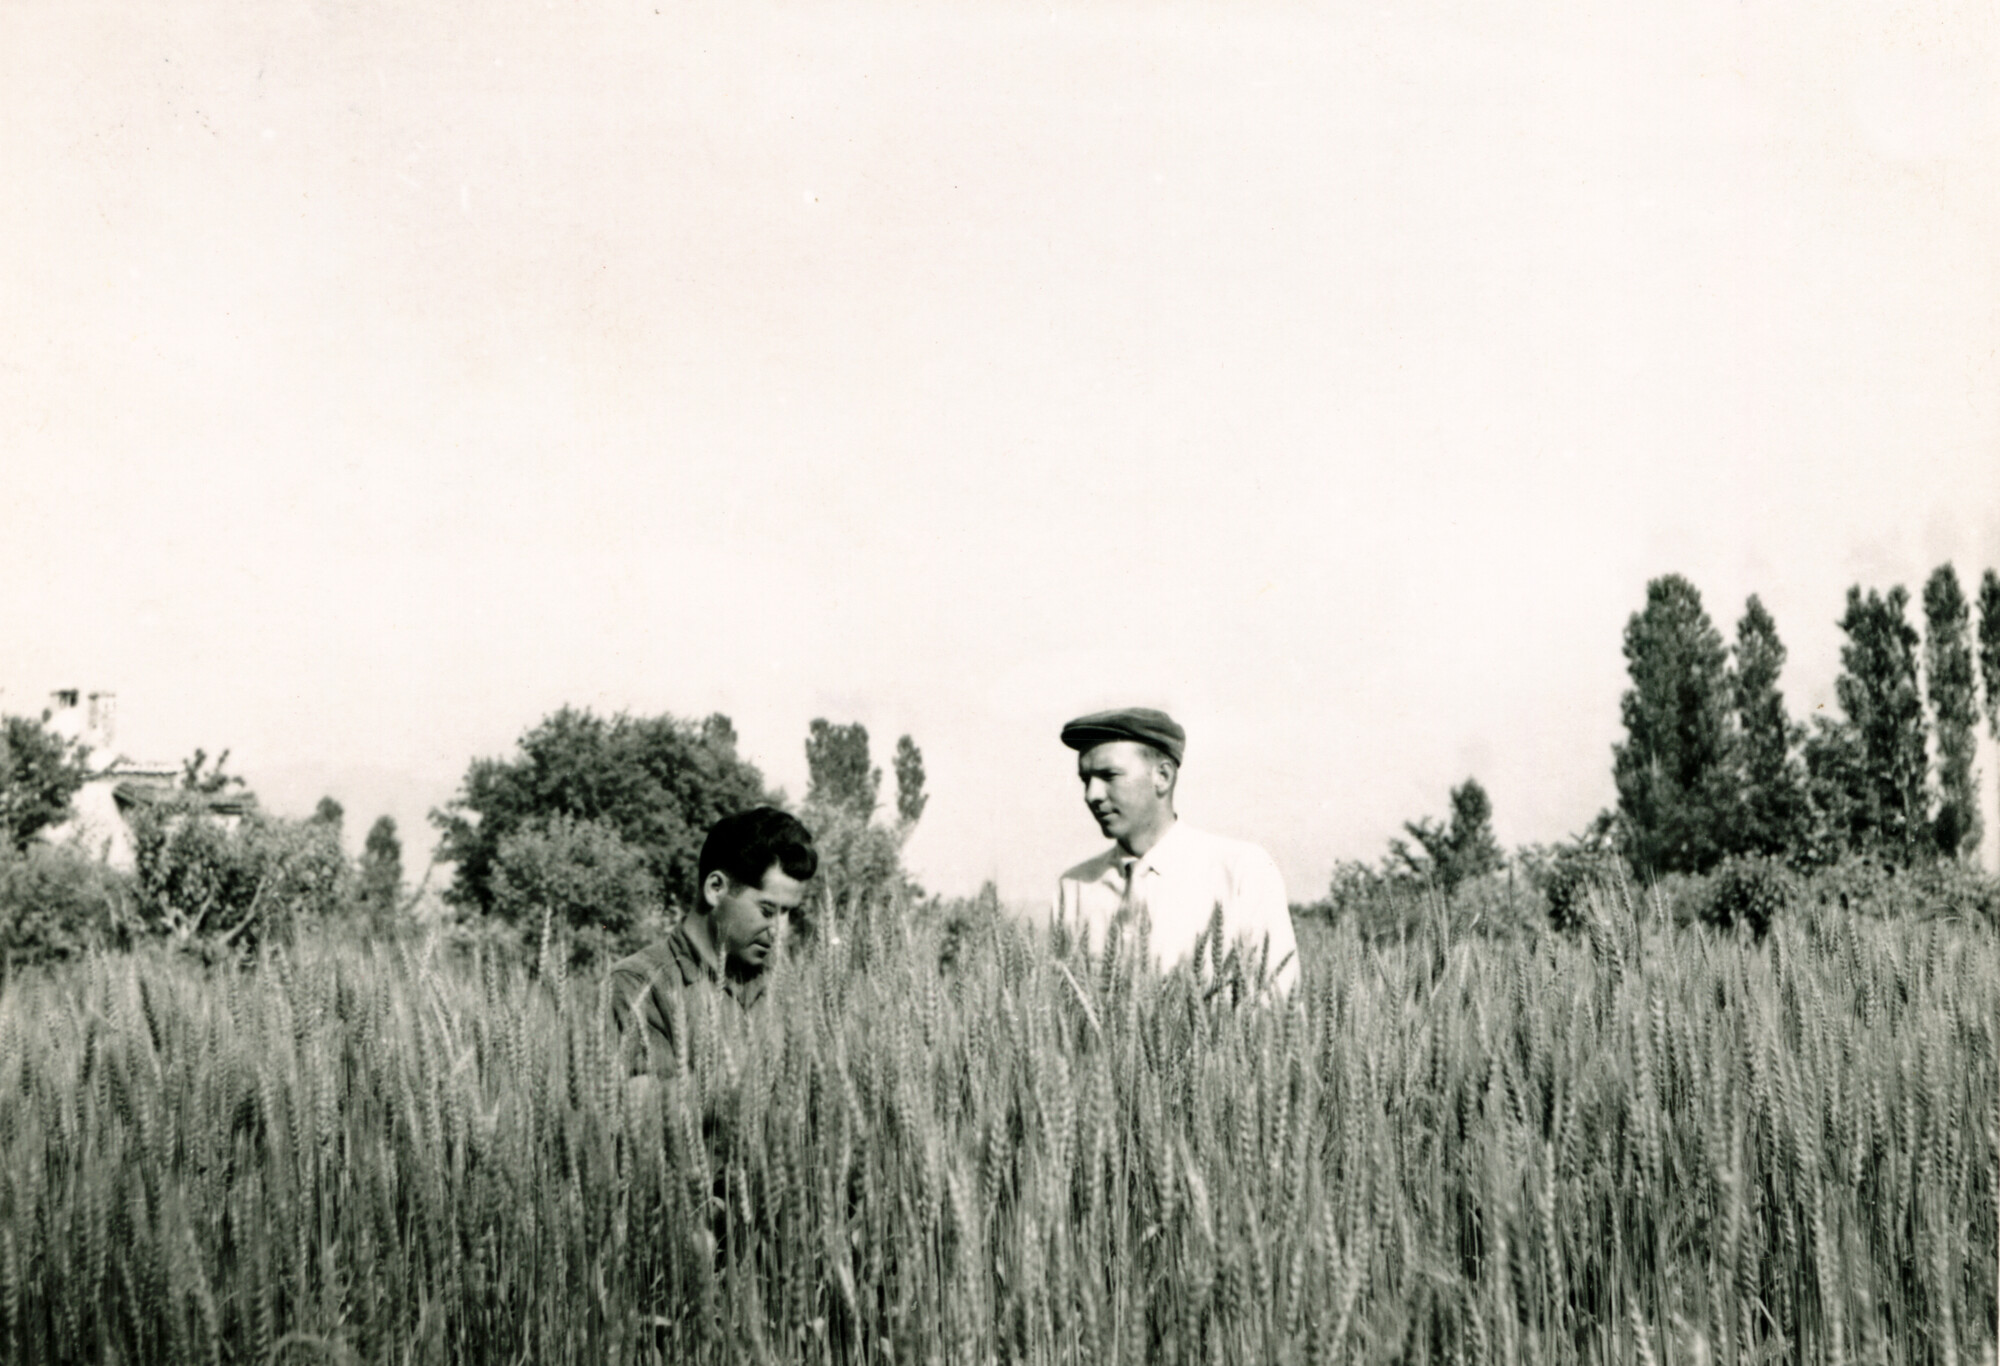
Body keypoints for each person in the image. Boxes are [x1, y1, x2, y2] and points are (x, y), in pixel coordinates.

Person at [1053, 707, 1299, 993]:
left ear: (1163, 776)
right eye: (1086, 780)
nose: (1091, 794)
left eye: (1108, 776)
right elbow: (1065, 1008)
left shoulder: (1241, 869)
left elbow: (1275, 1002)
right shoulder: (1074, 886)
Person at [608, 805, 818, 1074]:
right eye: (768, 911)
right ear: (715, 888)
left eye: (789, 913)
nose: (781, 931)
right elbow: (648, 1107)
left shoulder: (787, 989)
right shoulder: (636, 985)